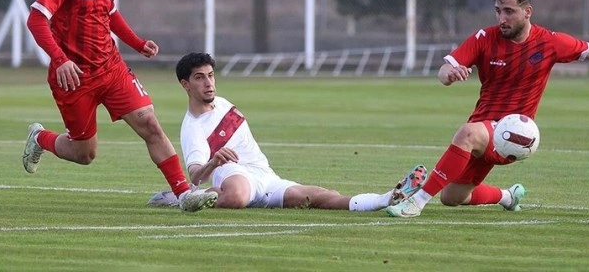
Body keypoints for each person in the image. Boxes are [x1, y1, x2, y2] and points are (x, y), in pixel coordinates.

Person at [386, 0, 589, 218]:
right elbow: (444, 69)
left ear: (527, 12)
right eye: (498, 11)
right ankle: (507, 196)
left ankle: (417, 202)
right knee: (452, 196)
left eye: (509, 11)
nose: (501, 18)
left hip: (511, 134)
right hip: (484, 130)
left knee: (466, 134)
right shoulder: (484, 38)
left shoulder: (550, 42)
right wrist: (450, 73)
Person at [21, 0, 217, 212]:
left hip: (111, 70)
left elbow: (109, 15)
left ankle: (183, 194)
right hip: (73, 78)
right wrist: (60, 60)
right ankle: (41, 138)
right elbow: (36, 19)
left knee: (150, 123)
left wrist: (137, 43)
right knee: (84, 154)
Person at [147, 52, 427, 211]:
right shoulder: (192, 128)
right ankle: (181, 198)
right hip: (231, 173)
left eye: (210, 75)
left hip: (265, 176)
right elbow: (194, 174)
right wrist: (215, 161)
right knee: (237, 196)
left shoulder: (223, 103)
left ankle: (386, 198)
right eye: (199, 78)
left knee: (317, 198)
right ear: (185, 84)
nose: (208, 83)